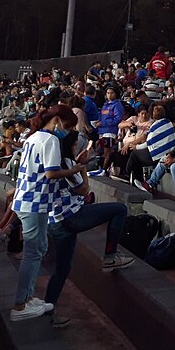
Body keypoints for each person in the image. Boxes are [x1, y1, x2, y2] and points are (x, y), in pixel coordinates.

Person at [44, 128, 133, 327]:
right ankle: (110, 256)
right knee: (119, 210)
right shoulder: (66, 163)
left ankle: (48, 312)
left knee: (62, 269)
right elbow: (84, 190)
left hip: (55, 221)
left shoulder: (54, 162)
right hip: (70, 217)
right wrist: (83, 168)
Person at [11, 105, 88, 322]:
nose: (67, 130)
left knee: (39, 249)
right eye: (68, 125)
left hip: (30, 201)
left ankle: (27, 298)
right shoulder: (50, 139)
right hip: (34, 202)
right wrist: (76, 169)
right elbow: (51, 172)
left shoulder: (33, 137)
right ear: (57, 120)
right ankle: (19, 304)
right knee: (33, 252)